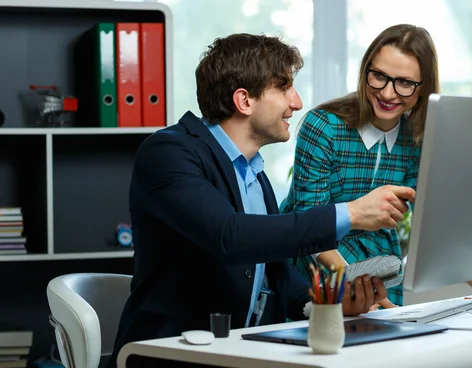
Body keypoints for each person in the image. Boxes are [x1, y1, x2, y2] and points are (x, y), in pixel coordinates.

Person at [107, 33, 417, 368]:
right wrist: (351, 213)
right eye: (284, 89)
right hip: (170, 356)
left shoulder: (254, 173)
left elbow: (279, 276)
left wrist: (329, 303)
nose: (296, 103)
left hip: (244, 354)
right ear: (244, 101)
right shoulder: (169, 153)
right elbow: (230, 236)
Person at [280, 24, 472, 308]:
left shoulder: (418, 139)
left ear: (423, 88)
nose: (387, 94)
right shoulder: (323, 126)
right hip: (315, 272)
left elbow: (435, 221)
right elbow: (308, 223)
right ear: (366, 71)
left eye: (405, 83)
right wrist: (353, 283)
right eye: (379, 77)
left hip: (379, 272)